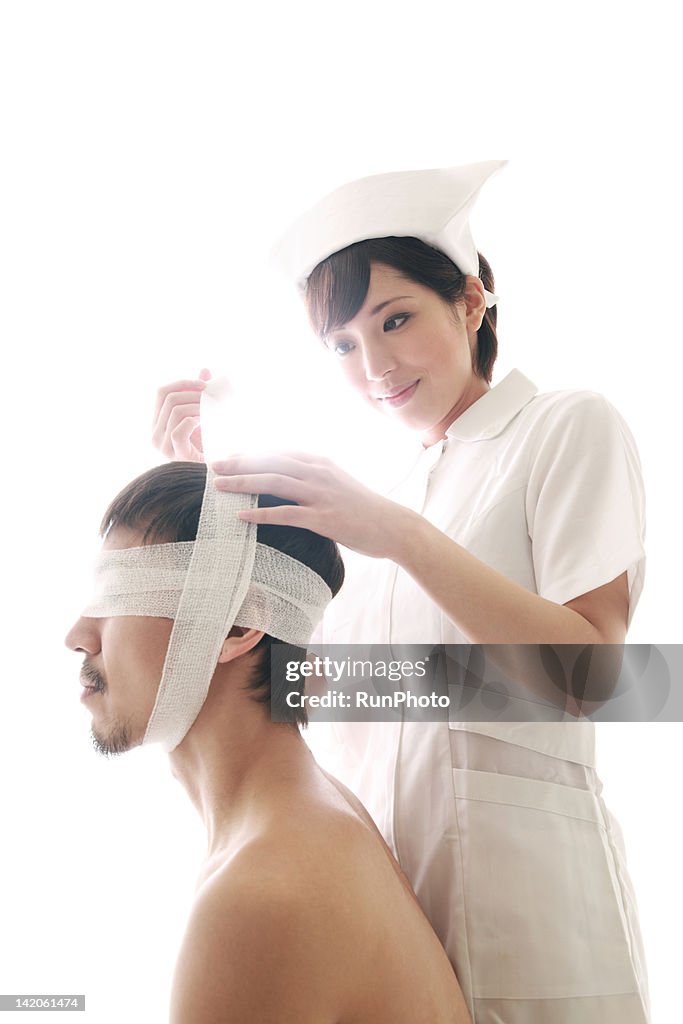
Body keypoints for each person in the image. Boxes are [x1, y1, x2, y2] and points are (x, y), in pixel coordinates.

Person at [151, 162, 650, 1023]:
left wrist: (393, 534)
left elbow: (599, 681)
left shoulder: (564, 426)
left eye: (395, 320)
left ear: (469, 300)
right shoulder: (386, 492)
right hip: (384, 914)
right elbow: (310, 692)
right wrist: (197, 484)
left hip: (535, 919)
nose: (373, 364)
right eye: (341, 344)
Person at [65, 460, 471, 1024]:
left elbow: (595, 679)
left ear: (236, 627)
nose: (77, 637)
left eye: (118, 597)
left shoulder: (261, 895)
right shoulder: (308, 819)